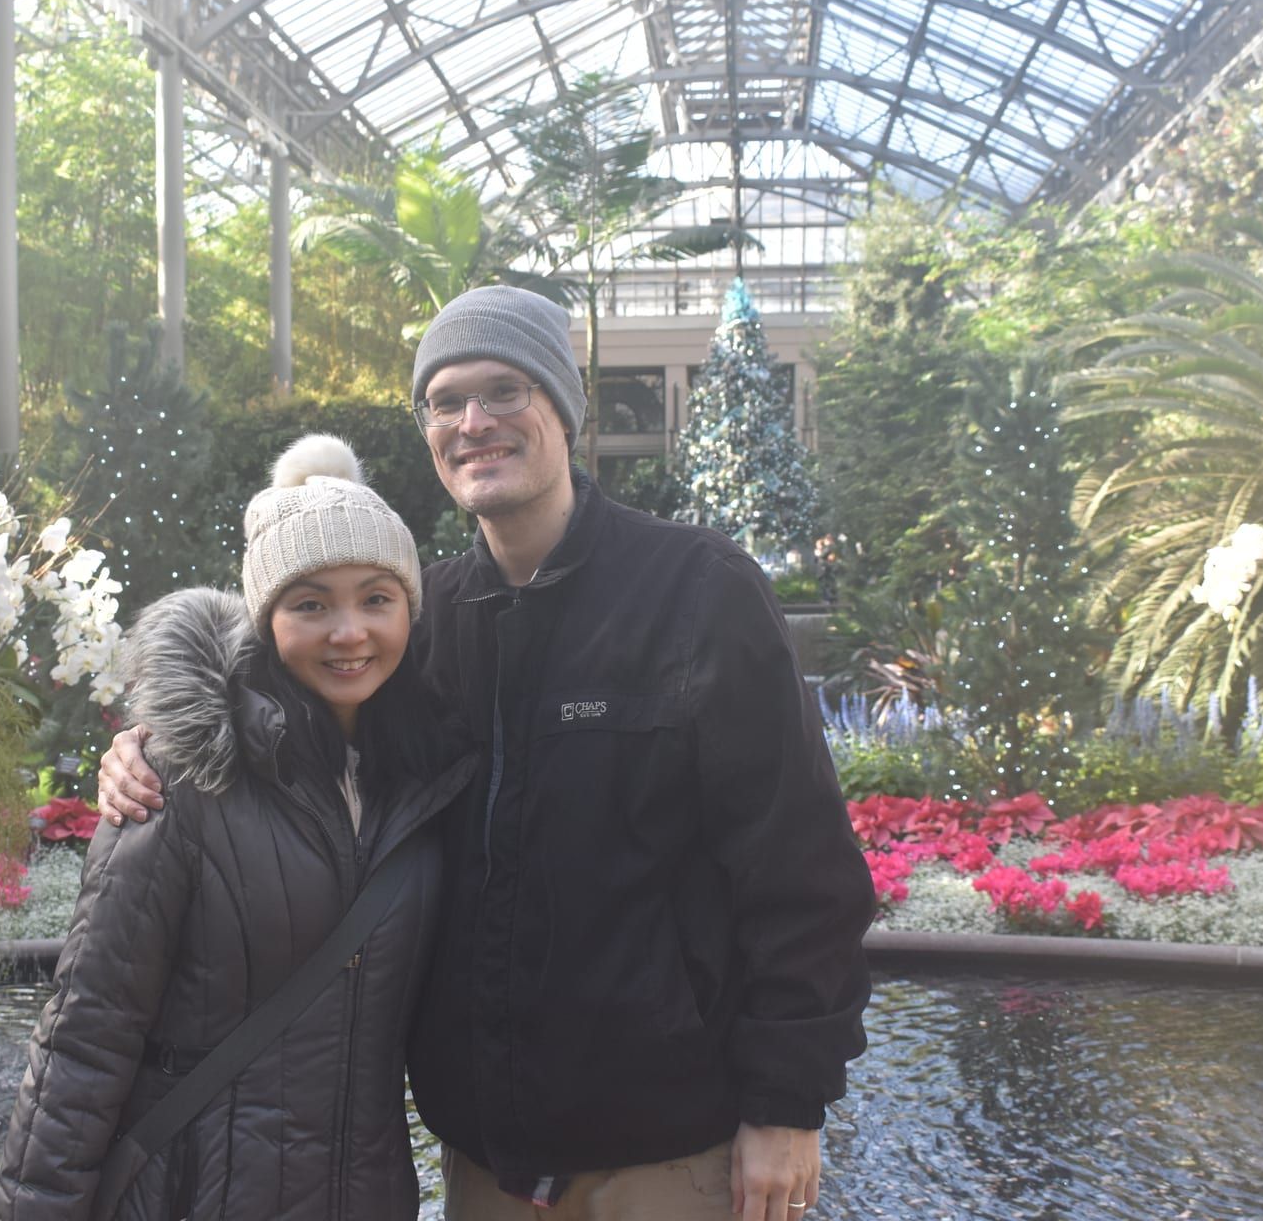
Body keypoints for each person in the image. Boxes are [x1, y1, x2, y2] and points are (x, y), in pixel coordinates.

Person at [100, 286, 878, 1221]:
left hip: (672, 1152)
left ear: (563, 406)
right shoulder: (428, 620)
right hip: (485, 1160)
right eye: (447, 401)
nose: (475, 423)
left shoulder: (697, 594)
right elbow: (291, 734)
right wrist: (154, 745)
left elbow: (800, 870)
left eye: (507, 391)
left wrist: (787, 1106)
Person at [0, 435, 473, 1221]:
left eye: (376, 598)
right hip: (198, 1193)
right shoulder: (182, 780)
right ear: (265, 616)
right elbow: (87, 1036)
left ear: (410, 612)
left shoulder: (426, 784)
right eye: (311, 603)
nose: (349, 631)